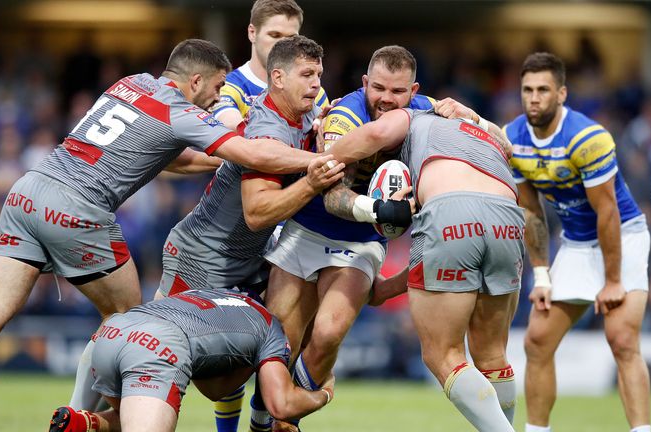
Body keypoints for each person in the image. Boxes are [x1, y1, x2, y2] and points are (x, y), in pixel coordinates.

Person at [0, 39, 325, 432]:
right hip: (78, 207)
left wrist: (218, 163)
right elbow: (251, 153)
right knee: (128, 318)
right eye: (215, 88)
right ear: (195, 80)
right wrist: (318, 161)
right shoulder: (180, 110)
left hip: (29, 189)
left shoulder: (130, 84)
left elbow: (163, 154)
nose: (217, 99)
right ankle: (78, 418)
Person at [262, 45, 483, 431]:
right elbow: (331, 196)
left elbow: (496, 143)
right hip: (307, 228)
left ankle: (291, 417)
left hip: (360, 243)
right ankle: (274, 417)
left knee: (329, 332)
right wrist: (378, 210)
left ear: (414, 91)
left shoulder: (433, 112)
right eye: (378, 88)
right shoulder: (343, 118)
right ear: (365, 82)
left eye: (397, 92)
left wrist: (473, 116)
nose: (386, 98)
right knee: (278, 348)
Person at [158, 35, 342, 432]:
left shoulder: (309, 117)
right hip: (201, 258)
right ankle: (95, 414)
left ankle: (265, 420)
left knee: (289, 328)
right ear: (277, 78)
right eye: (307, 75)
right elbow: (258, 214)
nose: (316, 83)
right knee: (173, 361)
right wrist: (314, 179)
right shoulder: (267, 127)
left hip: (248, 258)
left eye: (319, 75)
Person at [325, 105, 522, 431]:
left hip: (451, 207)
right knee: (492, 356)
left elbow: (376, 133)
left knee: (443, 355)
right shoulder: (471, 126)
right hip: (508, 214)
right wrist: (476, 116)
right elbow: (510, 149)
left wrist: (322, 158)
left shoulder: (411, 117)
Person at [506, 52, 651, 432]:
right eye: (527, 90)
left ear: (562, 94)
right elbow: (531, 211)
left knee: (621, 340)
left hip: (623, 237)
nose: (534, 98)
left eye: (543, 90)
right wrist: (541, 275)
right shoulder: (513, 139)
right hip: (574, 243)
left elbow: (608, 214)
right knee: (536, 341)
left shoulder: (588, 137)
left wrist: (613, 280)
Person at [47, 289, 335, 432]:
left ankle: (84, 423)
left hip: (111, 333)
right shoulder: (273, 328)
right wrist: (323, 394)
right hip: (158, 346)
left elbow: (213, 390)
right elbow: (281, 405)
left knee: (137, 412)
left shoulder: (218, 298)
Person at [211, 0, 328, 130]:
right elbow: (235, 131)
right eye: (275, 35)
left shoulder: (314, 90)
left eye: (291, 38)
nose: (282, 46)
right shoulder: (226, 87)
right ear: (252, 33)